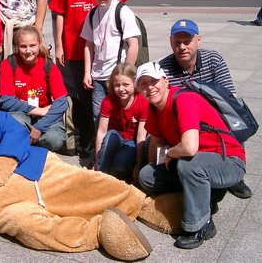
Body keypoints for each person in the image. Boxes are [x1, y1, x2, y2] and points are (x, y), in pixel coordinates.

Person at [136, 62, 246, 250]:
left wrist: (170, 153)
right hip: (194, 160)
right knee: (147, 177)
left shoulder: (183, 99)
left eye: (153, 81)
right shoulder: (154, 107)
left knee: (189, 166)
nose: (149, 88)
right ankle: (207, 192)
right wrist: (146, 170)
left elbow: (189, 148)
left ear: (165, 80)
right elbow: (156, 142)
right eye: (143, 84)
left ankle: (201, 225)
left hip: (229, 161)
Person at [49, 0, 130, 160]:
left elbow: (122, 8)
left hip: (105, 52)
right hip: (74, 49)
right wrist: (60, 45)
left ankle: (115, 142)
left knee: (111, 98)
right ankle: (86, 143)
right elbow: (59, 13)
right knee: (81, 100)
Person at [159, 19, 251, 199]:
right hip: (183, 122)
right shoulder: (164, 68)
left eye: (187, 41)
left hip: (214, 118)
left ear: (198, 40)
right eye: (177, 42)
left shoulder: (214, 60)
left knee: (233, 118)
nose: (182, 47)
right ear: (171, 42)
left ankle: (233, 172)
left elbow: (228, 99)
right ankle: (191, 177)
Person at [81, 0, 140, 120]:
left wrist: (125, 73)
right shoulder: (92, 14)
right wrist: (87, 72)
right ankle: (101, 143)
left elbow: (133, 44)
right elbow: (89, 44)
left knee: (120, 115)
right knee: (98, 115)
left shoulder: (122, 11)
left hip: (116, 77)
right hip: (98, 77)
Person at [0, 25, 68, 152]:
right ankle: (29, 141)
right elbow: (6, 101)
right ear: (16, 46)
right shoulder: (8, 64)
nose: (28, 51)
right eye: (23, 46)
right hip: (22, 113)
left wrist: (39, 128)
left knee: (56, 139)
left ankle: (25, 140)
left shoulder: (48, 65)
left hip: (44, 115)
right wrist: (38, 110)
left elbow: (62, 102)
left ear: (39, 44)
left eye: (32, 45)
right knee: (16, 121)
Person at [95, 63, 148, 184]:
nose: (121, 89)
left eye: (126, 85)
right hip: (116, 136)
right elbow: (101, 131)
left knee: (120, 163)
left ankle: (119, 176)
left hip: (132, 140)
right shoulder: (108, 101)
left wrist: (139, 164)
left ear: (134, 84)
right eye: (117, 85)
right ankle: (101, 175)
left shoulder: (142, 102)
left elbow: (141, 136)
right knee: (109, 137)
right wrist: (97, 160)